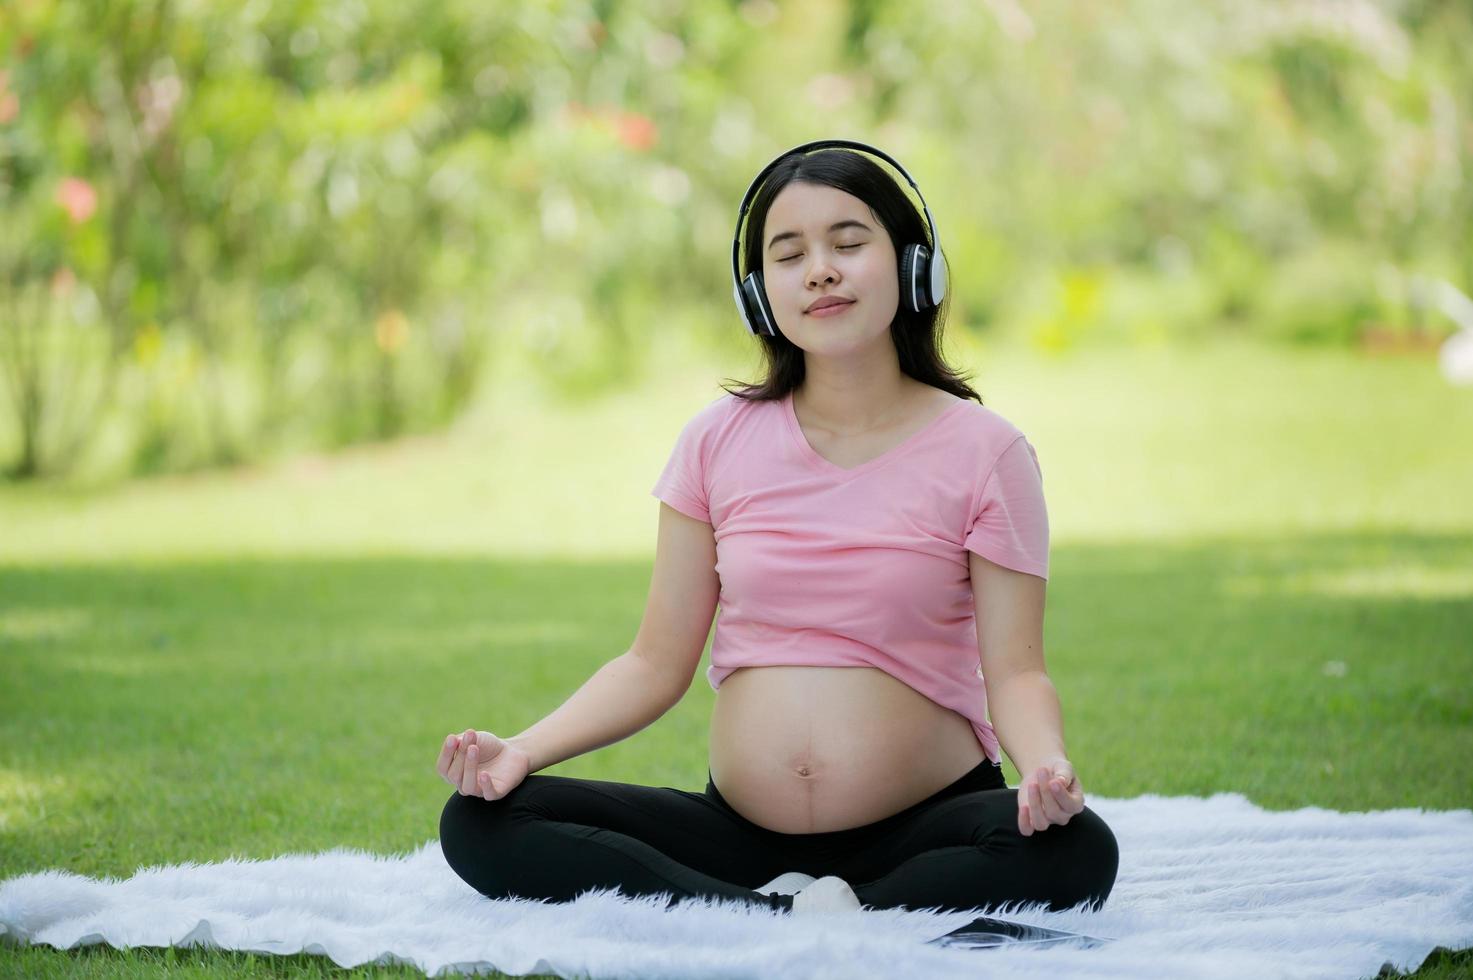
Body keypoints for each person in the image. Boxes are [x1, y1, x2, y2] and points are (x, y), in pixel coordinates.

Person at [436, 140, 1119, 916]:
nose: (820, 270)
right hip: (740, 833)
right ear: (760, 295)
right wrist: (520, 750)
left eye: (848, 243)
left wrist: (1045, 769)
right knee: (482, 821)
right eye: (789, 254)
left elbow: (1017, 674)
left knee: (1077, 848)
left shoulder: (986, 451)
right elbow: (653, 664)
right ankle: (775, 916)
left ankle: (768, 912)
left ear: (912, 265)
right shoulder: (714, 440)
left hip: (925, 824)